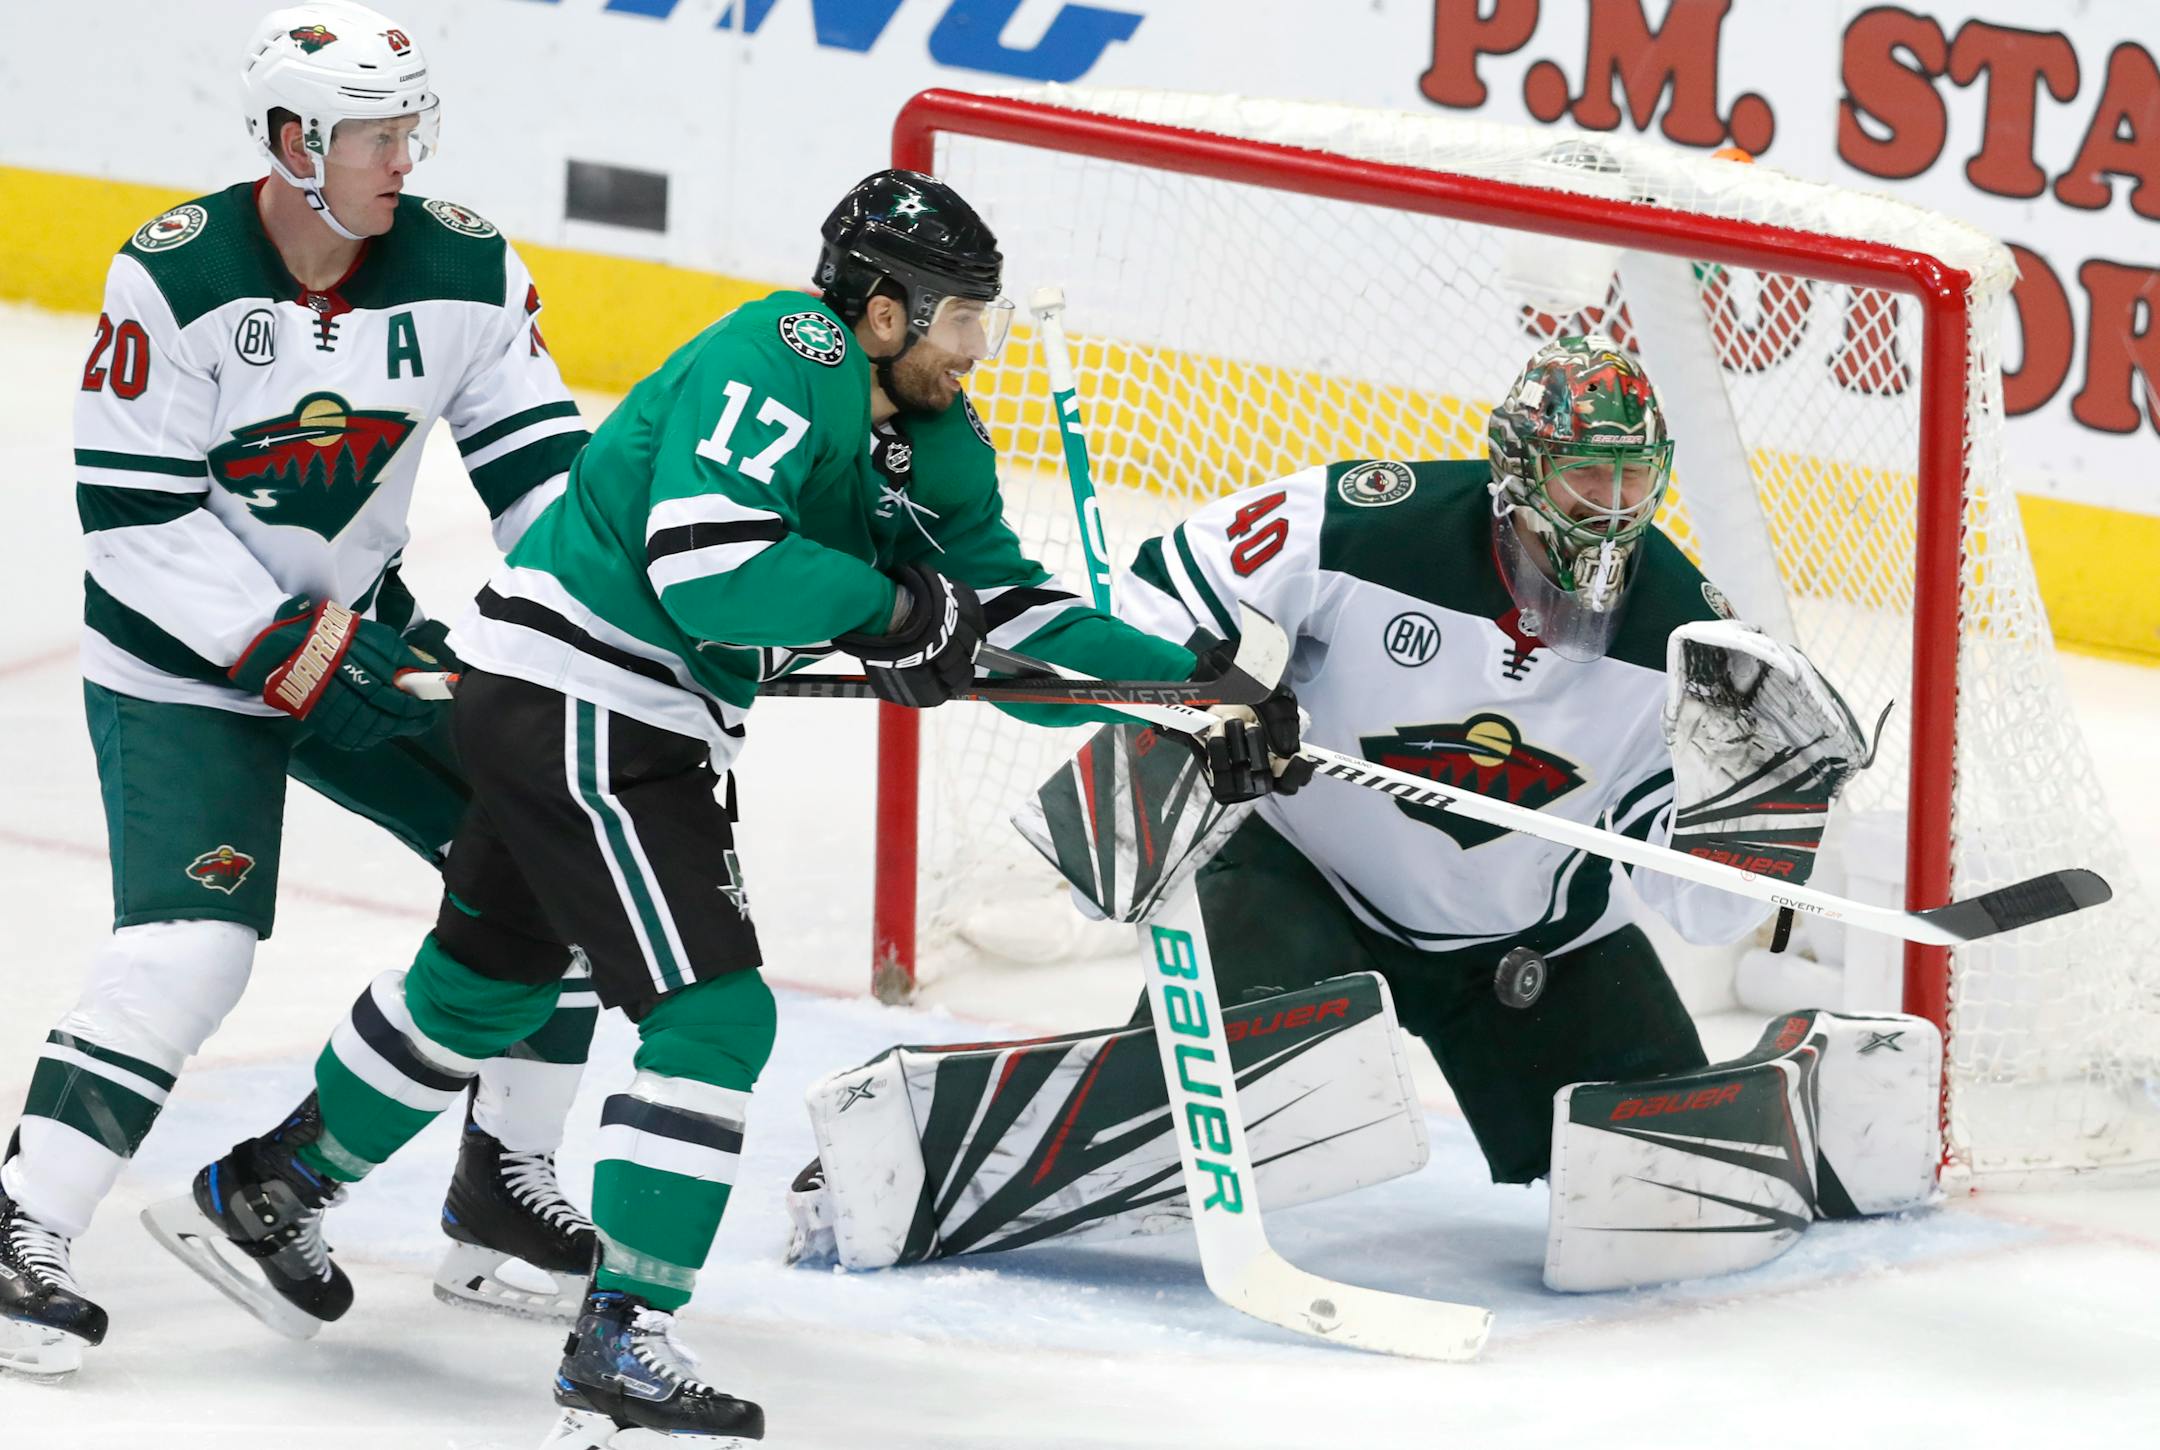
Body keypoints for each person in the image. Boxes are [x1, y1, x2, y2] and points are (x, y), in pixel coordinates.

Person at [152, 168, 1305, 1447]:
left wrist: (1183, 692)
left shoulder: (937, 442)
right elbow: (709, 567)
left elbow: (1010, 622)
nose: (977, 348)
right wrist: (889, 611)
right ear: (878, 311)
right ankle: (623, 1334)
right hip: (590, 705)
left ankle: (265, 1183)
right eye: (959, 317)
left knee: (486, 989)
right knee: (713, 1016)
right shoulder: (781, 350)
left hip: (586, 710)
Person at [785, 333, 1878, 1268]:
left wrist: (1761, 814)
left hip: (1526, 940)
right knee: (1169, 1116)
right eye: (1586, 477)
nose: (1614, 508)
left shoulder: (1682, 633)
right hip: (1300, 880)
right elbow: (1163, 580)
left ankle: (1828, 1113)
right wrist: (1217, 687)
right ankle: (907, 1168)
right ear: (1515, 470)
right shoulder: (1372, 520)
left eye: (1634, 480)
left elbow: (1694, 908)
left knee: (1666, 1181)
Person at [0, 3, 602, 1381]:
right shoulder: (176, 275)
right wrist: (296, 647)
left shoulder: (465, 264)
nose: (407, 156)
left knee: (560, 833)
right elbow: (136, 522)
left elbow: (541, 479)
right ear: (292, 141)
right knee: (191, 946)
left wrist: (605, 621)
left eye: (410, 127)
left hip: (356, 631)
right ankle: (20, 1219)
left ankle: (501, 1186)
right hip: (178, 660)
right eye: (378, 134)